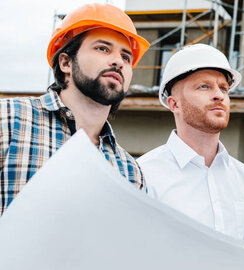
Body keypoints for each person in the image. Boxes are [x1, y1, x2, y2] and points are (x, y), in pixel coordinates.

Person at [0, 3, 149, 215]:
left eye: (126, 57)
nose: (118, 61)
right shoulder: (8, 120)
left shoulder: (131, 172)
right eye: (102, 48)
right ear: (66, 63)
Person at [137, 44, 244, 245]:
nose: (219, 95)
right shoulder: (144, 175)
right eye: (204, 86)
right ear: (174, 104)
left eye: (223, 88)